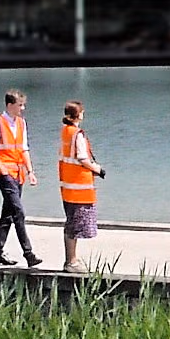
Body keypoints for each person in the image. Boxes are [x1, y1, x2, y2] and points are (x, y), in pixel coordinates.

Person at [0, 89, 42, 267]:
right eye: (20, 105)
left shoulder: (21, 123)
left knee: (8, 214)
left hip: (18, 174)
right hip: (5, 175)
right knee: (19, 212)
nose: (22, 108)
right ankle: (29, 253)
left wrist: (30, 171)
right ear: (10, 105)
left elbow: (24, 149)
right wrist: (3, 171)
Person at [58, 100, 105, 273]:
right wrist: (98, 170)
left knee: (71, 223)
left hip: (68, 186)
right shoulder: (77, 134)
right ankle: (71, 262)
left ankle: (71, 260)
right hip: (79, 187)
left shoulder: (65, 131)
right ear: (78, 115)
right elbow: (82, 158)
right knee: (75, 225)